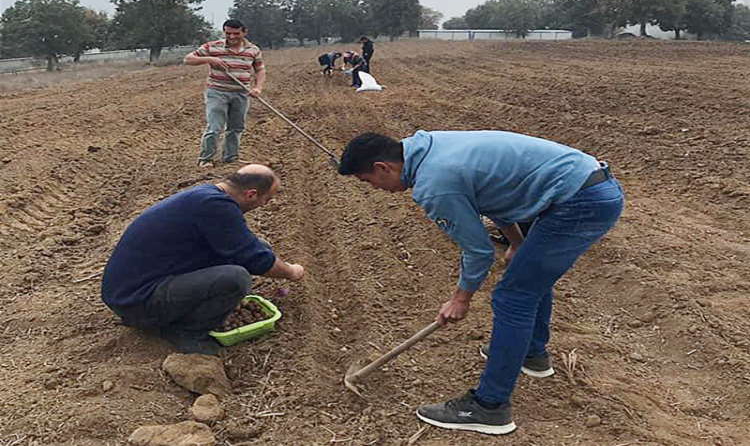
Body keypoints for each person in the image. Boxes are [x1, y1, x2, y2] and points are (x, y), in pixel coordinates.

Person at [338, 130, 624, 435]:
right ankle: (532, 354)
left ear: (383, 168)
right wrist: (516, 242)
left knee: (513, 297)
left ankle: (490, 407)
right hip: (584, 185)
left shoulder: (436, 184)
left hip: (579, 201)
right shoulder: (428, 146)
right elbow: (493, 195)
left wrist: (460, 298)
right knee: (528, 279)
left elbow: (478, 251)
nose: (375, 189)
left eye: (367, 181)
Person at [101, 164, 305, 356]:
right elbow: (256, 260)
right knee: (236, 278)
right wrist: (291, 272)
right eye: (266, 200)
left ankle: (196, 310)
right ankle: (186, 332)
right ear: (251, 194)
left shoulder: (208, 196)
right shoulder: (215, 207)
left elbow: (247, 247)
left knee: (259, 247)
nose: (263, 205)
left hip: (141, 285)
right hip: (136, 302)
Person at [184, 19, 266, 168]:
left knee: (236, 127)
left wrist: (258, 88)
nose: (232, 37)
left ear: (244, 32)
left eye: (236, 33)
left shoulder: (253, 50)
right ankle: (206, 158)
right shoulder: (213, 47)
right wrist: (210, 59)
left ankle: (230, 158)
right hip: (217, 92)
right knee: (214, 127)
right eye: (228, 33)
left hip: (241, 93)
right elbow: (188, 59)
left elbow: (260, 70)